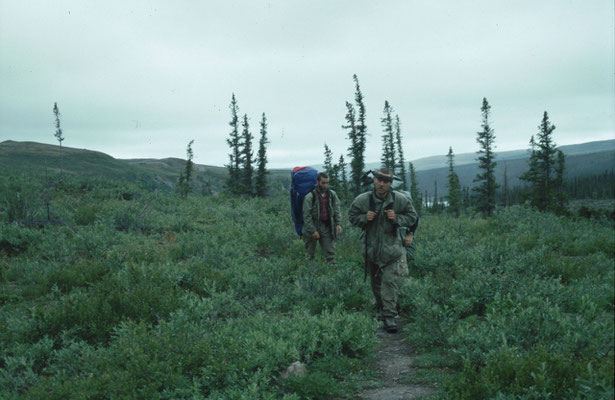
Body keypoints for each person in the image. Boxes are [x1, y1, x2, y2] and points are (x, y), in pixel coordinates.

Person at [348, 168, 418, 333]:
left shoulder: (399, 200)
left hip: (392, 250)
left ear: (390, 183)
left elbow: (412, 217)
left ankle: (389, 315)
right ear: (374, 180)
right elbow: (352, 217)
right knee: (376, 283)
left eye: (386, 181)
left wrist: (397, 219)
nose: (382, 183)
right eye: (379, 179)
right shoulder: (363, 200)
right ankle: (381, 308)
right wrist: (364, 218)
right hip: (371, 249)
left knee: (389, 282)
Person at [302, 172, 343, 263]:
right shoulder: (310, 197)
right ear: (317, 182)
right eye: (323, 183)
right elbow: (306, 216)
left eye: (327, 183)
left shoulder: (332, 195)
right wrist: (313, 230)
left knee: (330, 253)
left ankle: (332, 271)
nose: (325, 185)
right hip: (312, 226)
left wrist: (338, 224)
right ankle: (308, 273)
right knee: (309, 254)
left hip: (326, 226)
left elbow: (337, 209)